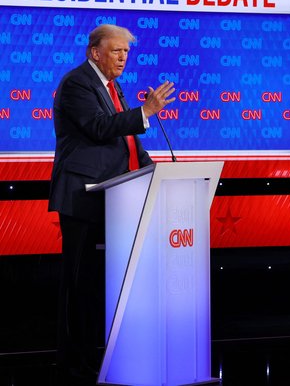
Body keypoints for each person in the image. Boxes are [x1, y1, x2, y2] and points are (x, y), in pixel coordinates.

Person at [48, 24, 176, 385]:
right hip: (83, 198)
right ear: (95, 53)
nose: (123, 57)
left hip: (111, 199)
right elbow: (99, 127)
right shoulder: (77, 84)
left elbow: (124, 141)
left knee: (99, 287)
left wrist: (153, 169)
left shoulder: (111, 86)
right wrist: (145, 111)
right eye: (116, 50)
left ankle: (98, 358)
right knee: (80, 287)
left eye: (126, 52)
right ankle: (74, 366)